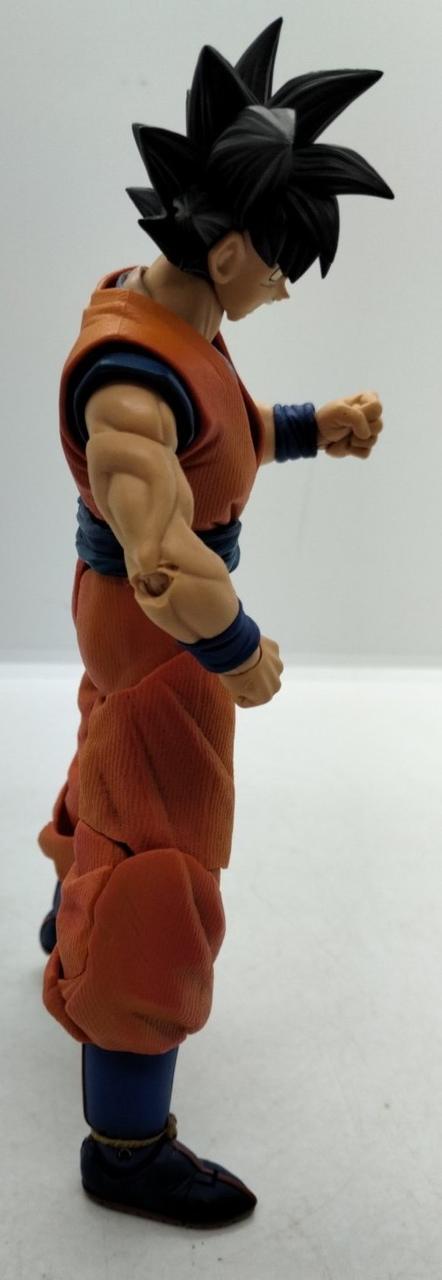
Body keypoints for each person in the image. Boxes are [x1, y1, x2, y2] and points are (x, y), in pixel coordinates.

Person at [38, 19, 393, 1228]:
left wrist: (308, 425)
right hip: (162, 638)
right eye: (284, 263)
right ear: (232, 246)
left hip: (124, 641)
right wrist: (235, 649)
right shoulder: (126, 377)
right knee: (164, 866)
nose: (285, 286)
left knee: (107, 760)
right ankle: (126, 1141)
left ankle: (67, 908)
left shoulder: (167, 311)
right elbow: (160, 556)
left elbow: (213, 433)